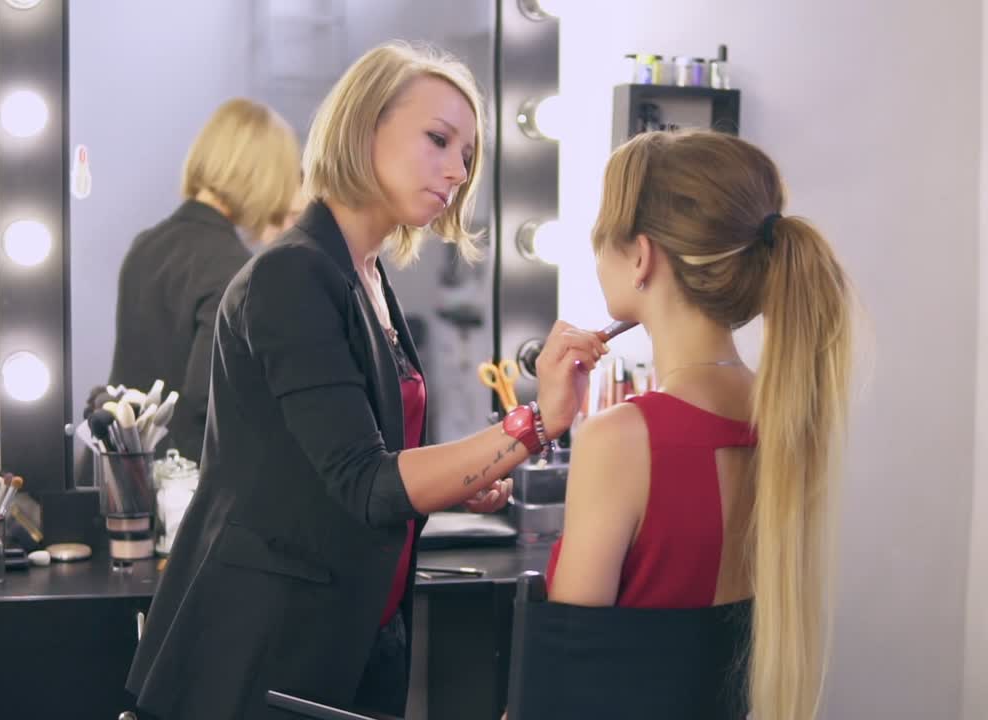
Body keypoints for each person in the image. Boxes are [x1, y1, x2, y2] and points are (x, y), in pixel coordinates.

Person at [126, 42, 606, 720]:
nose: (457, 170)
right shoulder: (291, 277)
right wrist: (533, 424)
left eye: (468, 154)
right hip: (268, 648)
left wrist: (463, 479)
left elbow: (369, 468)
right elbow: (370, 484)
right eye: (438, 139)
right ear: (364, 127)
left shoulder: (369, 282)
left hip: (359, 632)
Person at [545, 129, 853, 720]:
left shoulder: (622, 439)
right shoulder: (786, 412)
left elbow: (565, 681)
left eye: (601, 231)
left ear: (640, 256)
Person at [107, 98, 303, 463]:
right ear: (263, 179)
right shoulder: (232, 267)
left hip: (120, 473)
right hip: (178, 489)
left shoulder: (145, 245)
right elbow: (207, 401)